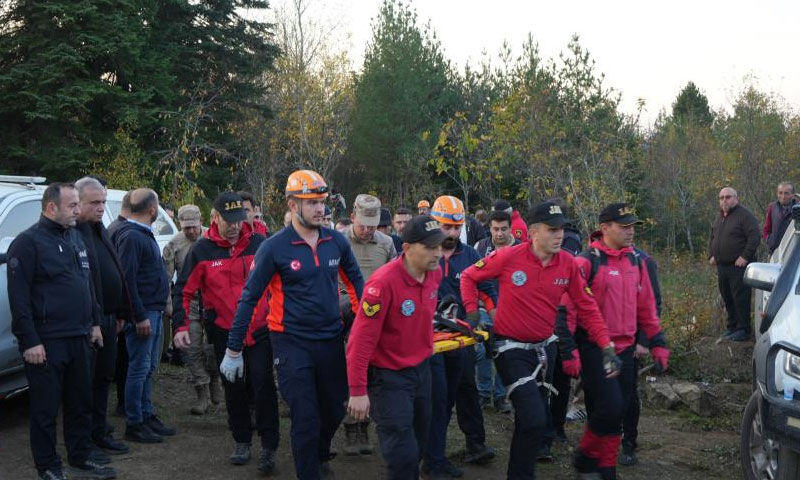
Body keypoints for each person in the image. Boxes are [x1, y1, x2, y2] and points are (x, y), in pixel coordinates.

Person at [460, 201, 619, 480]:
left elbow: (587, 307)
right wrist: (473, 312)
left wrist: (606, 345)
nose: (560, 235)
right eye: (552, 229)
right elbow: (469, 277)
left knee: (529, 420)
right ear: (533, 232)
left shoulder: (568, 264)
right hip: (510, 349)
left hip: (546, 349)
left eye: (562, 229)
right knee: (536, 418)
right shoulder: (509, 257)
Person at [225, 170, 364, 479]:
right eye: (311, 202)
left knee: (335, 408)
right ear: (292, 205)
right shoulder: (274, 248)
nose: (320, 209)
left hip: (330, 339)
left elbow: (355, 282)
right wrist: (233, 348)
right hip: (290, 342)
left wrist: (363, 325)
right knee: (305, 415)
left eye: (322, 202)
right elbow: (250, 298)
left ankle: (318, 452)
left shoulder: (335, 241)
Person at [8, 182, 116, 480]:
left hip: (80, 337)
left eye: (78, 205)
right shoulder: (27, 243)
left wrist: (94, 323)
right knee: (45, 410)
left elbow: (87, 286)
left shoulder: (75, 239)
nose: (78, 210)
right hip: (47, 341)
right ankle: (48, 466)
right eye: (72, 205)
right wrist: (30, 341)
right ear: (51, 207)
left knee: (80, 402)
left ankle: (80, 455)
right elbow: (19, 298)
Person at [172, 192, 279, 473]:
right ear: (214, 218)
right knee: (234, 386)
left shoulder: (259, 243)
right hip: (223, 330)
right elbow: (183, 290)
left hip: (260, 329)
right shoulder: (202, 251)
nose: (234, 226)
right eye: (228, 221)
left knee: (263, 383)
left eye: (239, 220)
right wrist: (181, 326)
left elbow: (280, 282)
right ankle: (241, 440)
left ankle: (269, 445)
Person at [569, 203, 669, 478]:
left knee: (619, 409)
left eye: (632, 226)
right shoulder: (586, 262)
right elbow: (569, 309)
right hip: (596, 348)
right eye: (623, 226)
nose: (630, 231)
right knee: (609, 408)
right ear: (605, 228)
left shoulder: (636, 261)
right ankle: (586, 456)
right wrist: (570, 352)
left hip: (626, 349)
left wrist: (656, 342)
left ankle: (605, 467)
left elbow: (647, 308)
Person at [346, 215, 446, 480]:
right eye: (430, 247)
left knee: (419, 442)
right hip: (389, 378)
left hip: (422, 371)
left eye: (439, 246)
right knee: (402, 453)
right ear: (407, 247)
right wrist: (357, 390)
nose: (438, 253)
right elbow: (360, 341)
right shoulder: (382, 284)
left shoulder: (436, 272)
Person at [424, 195, 497, 479]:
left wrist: (492, 316)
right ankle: (433, 459)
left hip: (462, 338)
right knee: (438, 399)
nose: (452, 233)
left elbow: (488, 286)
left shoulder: (469, 256)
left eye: (457, 227)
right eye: (446, 227)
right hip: (430, 340)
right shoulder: (422, 253)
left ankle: (475, 444)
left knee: (467, 389)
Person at [74, 177, 132, 458]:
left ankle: (100, 430)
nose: (101, 208)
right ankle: (85, 438)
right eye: (94, 203)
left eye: (103, 202)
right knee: (85, 382)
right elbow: (83, 284)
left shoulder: (100, 230)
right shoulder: (74, 235)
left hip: (110, 318)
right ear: (78, 203)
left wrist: (120, 311)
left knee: (103, 379)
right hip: (89, 322)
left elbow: (114, 270)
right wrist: (95, 320)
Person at [112, 188, 175, 443]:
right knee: (138, 368)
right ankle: (134, 422)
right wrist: (138, 315)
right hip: (144, 313)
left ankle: (147, 415)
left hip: (153, 309)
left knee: (147, 367)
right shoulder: (131, 236)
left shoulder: (142, 234)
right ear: (152, 210)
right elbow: (127, 279)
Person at [339, 194, 397, 456]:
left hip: (376, 317)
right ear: (353, 218)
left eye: (372, 225)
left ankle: (365, 426)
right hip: (344, 315)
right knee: (348, 373)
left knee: (373, 374)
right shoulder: (338, 241)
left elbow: (395, 279)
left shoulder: (386, 244)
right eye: (363, 224)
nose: (367, 230)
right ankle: (351, 428)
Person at [163, 205, 221, 416]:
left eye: (194, 227)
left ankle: (214, 379)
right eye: (187, 228)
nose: (191, 232)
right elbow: (167, 278)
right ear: (180, 225)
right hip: (190, 302)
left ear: (200, 222)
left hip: (213, 301)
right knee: (192, 347)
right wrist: (169, 303)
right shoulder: (173, 245)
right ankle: (201, 394)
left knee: (214, 347)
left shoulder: (213, 240)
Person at [473, 209, 519, 413]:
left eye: (503, 229)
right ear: (489, 228)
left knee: (504, 351)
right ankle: (483, 393)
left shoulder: (521, 249)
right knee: (482, 350)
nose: (499, 234)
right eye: (495, 229)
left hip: (510, 309)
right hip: (484, 305)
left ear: (511, 228)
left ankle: (501, 396)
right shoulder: (480, 247)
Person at [709, 187, 760, 342]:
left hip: (739, 267)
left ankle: (743, 330)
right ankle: (732, 327)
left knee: (740, 298)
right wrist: (711, 255)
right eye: (722, 197)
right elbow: (712, 237)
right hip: (722, 267)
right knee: (727, 297)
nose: (724, 200)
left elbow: (755, 236)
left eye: (728, 197)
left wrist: (745, 256)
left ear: (736, 199)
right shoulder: (720, 217)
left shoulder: (744, 215)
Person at [762, 182, 797, 255]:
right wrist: (769, 241)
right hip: (774, 252)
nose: (783, 196)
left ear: (793, 195)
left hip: (793, 254)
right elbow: (766, 229)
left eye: (786, 193)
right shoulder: (772, 207)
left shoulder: (798, 209)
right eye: (780, 193)